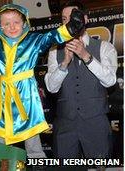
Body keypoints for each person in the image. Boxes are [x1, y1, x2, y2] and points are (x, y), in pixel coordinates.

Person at [0, 3, 85, 145]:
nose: (12, 26)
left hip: (25, 97)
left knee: (33, 145)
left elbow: (51, 37)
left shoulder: (33, 41)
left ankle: (37, 165)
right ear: (0, 27)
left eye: (16, 22)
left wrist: (70, 29)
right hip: (3, 98)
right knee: (1, 142)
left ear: (24, 24)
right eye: (7, 23)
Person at [44, 0, 118, 158]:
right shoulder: (54, 50)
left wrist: (85, 56)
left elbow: (110, 81)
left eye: (73, 16)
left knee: (100, 166)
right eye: (64, 19)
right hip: (65, 124)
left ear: (85, 19)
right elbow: (51, 87)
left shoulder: (105, 47)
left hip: (95, 122)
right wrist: (64, 63)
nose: (68, 22)